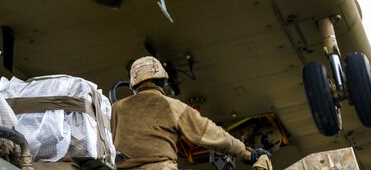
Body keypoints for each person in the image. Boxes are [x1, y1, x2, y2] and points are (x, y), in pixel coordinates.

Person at [110, 57, 272, 170]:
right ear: (162, 81)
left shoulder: (116, 109)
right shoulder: (171, 106)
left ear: (133, 85)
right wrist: (247, 153)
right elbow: (213, 135)